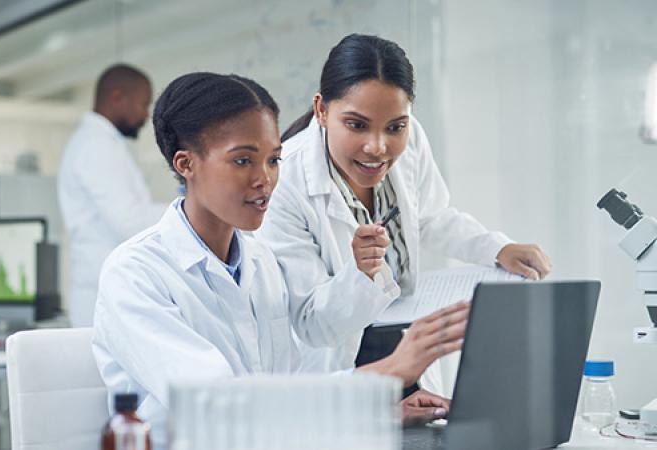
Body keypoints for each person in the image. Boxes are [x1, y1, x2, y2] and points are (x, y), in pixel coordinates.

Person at [92, 72, 469, 450]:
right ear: (186, 164)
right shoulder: (135, 274)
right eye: (243, 160)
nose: (265, 179)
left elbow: (285, 394)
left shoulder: (260, 262)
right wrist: (388, 371)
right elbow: (219, 405)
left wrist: (377, 413)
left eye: (274, 160)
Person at [256, 34, 552, 375]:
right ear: (322, 110)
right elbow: (310, 323)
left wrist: (497, 249)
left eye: (395, 126)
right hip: (337, 364)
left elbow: (429, 216)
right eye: (357, 125)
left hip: (403, 343)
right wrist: (361, 274)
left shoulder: (412, 139)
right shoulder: (284, 181)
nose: (378, 147)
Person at [59, 64, 166, 327]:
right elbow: (129, 222)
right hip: (102, 295)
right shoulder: (96, 147)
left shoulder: (100, 144)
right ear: (117, 97)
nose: (145, 115)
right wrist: (194, 208)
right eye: (143, 104)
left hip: (106, 291)